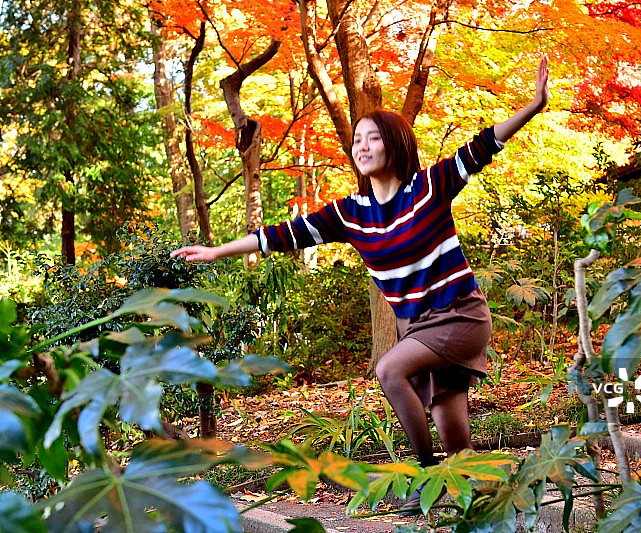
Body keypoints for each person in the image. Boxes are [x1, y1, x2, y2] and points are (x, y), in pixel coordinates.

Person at [172, 56, 549, 513]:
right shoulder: (351, 214)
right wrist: (217, 251)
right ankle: (485, 500)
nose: (362, 146)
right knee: (455, 439)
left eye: (373, 138)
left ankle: (424, 477)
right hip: (416, 328)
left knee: (389, 371)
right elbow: (283, 234)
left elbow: (482, 146)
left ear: (395, 144)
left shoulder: (429, 188)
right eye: (357, 140)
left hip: (460, 316)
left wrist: (533, 105)